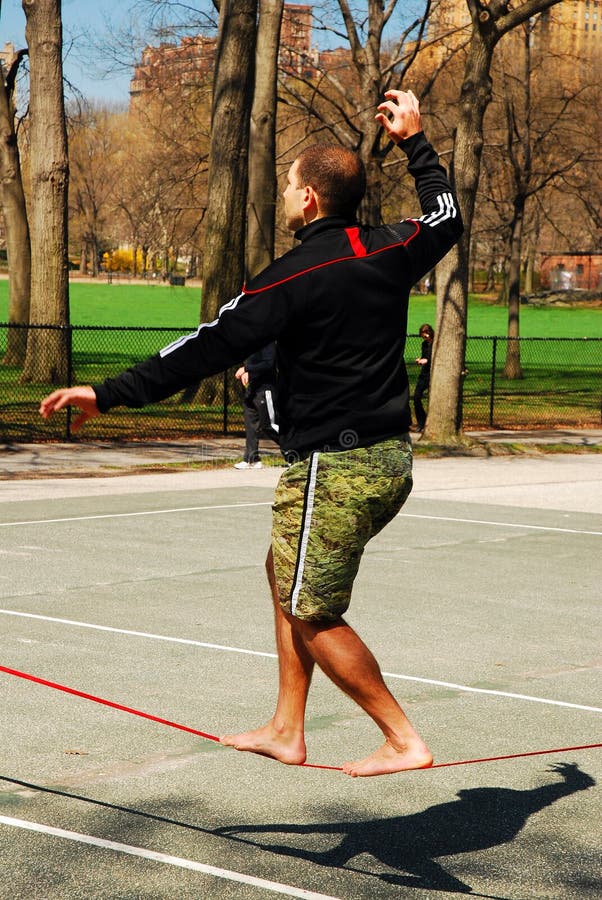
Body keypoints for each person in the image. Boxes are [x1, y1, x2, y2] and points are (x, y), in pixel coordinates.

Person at [40, 90, 463, 777]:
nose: (287, 194)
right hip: (390, 461)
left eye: (292, 185)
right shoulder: (393, 247)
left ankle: (401, 737)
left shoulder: (292, 276)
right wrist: (416, 141)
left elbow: (207, 345)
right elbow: (446, 214)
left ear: (310, 203)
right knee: (283, 576)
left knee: (311, 608)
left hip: (336, 464)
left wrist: (108, 394)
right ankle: (287, 727)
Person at [234, 343, 279, 469]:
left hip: (266, 390)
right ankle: (251, 459)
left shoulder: (267, 344)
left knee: (269, 425)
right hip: (253, 390)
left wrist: (247, 369)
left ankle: (294, 451)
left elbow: (268, 363)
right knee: (250, 424)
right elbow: (256, 365)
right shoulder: (253, 342)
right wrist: (249, 372)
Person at [413, 323, 434, 432]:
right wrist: (420, 360)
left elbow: (430, 359)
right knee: (416, 397)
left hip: (434, 374)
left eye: (426, 334)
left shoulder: (436, 343)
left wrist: (426, 360)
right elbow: (424, 357)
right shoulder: (424, 344)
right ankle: (421, 422)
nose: (425, 337)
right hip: (424, 374)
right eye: (423, 335)